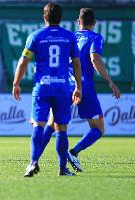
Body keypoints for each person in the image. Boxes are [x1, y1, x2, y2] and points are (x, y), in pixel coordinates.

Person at [38, 8, 121, 172]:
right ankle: (74, 152)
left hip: (62, 84)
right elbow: (94, 57)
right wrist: (110, 82)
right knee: (98, 128)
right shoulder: (95, 37)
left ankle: (34, 158)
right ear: (94, 23)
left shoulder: (69, 36)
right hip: (84, 85)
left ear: (78, 21)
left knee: (52, 122)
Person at [12, 2, 82, 177]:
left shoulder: (36, 36)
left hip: (42, 87)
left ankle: (33, 162)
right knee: (62, 129)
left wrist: (16, 83)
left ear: (44, 17)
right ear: (61, 18)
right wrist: (79, 87)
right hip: (62, 88)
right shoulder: (69, 37)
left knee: (38, 124)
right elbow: (76, 63)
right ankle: (62, 169)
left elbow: (23, 61)